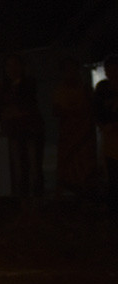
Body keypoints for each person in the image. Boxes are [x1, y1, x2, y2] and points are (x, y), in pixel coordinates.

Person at [0, 53, 45, 199]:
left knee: (33, 166)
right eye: (8, 66)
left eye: (15, 65)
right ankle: (25, 202)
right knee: (19, 167)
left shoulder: (28, 83)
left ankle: (35, 201)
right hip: (15, 131)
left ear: (22, 67)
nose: (11, 69)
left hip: (31, 129)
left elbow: (26, 106)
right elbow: (0, 110)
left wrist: (13, 112)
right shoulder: (5, 87)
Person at [51, 56, 97, 198]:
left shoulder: (85, 89)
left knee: (84, 167)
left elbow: (92, 110)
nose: (70, 72)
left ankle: (86, 197)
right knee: (67, 167)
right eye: (67, 70)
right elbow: (56, 110)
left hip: (84, 136)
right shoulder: (60, 90)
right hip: (68, 135)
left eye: (73, 69)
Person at [93, 54, 118, 222]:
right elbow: (96, 110)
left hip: (112, 131)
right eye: (109, 69)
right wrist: (103, 125)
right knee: (112, 170)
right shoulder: (103, 88)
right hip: (109, 136)